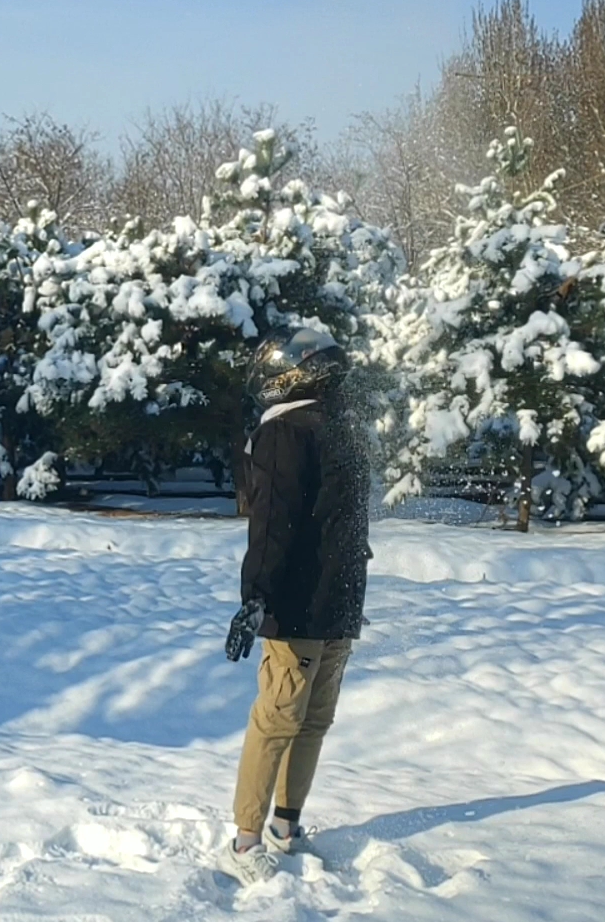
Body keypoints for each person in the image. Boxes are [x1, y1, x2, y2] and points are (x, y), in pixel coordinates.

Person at [216, 328, 372, 886]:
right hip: (296, 600)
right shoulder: (283, 430)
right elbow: (272, 522)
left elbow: (344, 522)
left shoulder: (338, 425)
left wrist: (353, 591)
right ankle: (244, 840)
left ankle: (286, 826)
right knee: (280, 718)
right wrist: (255, 596)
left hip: (336, 601)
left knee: (315, 720)